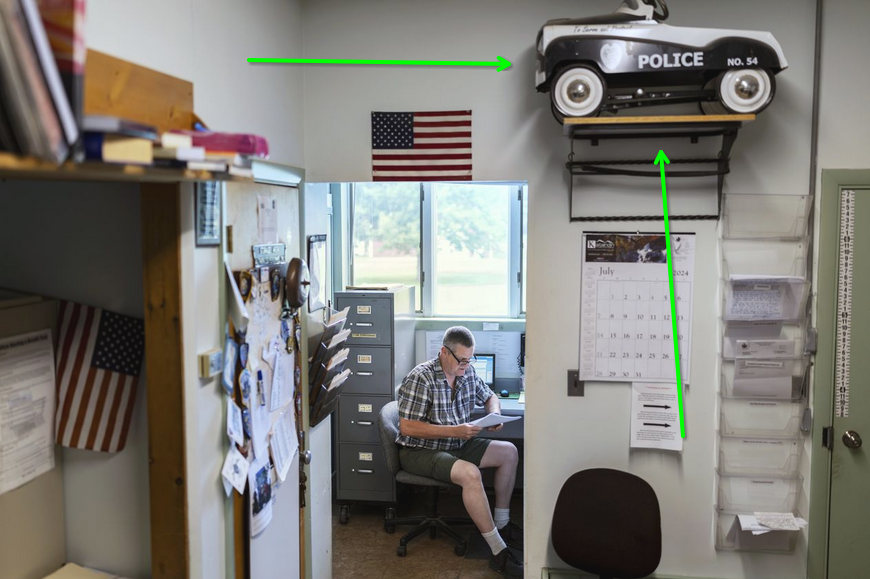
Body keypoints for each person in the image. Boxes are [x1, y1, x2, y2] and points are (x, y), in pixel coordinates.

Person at [396, 326, 523, 578]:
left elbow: (489, 395)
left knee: (509, 452)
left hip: (457, 445)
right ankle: (498, 552)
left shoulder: (466, 372)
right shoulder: (421, 377)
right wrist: (455, 431)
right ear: (444, 352)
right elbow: (407, 427)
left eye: (470, 359)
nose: (466, 364)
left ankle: (502, 524)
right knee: (470, 473)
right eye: (462, 359)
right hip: (420, 451)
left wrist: (494, 413)